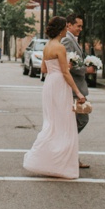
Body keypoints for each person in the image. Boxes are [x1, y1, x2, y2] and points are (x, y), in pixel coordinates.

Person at [23, 16, 87, 180]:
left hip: (50, 84)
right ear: (61, 29)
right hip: (59, 85)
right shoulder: (59, 47)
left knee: (51, 122)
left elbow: (44, 69)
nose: (67, 29)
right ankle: (58, 162)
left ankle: (46, 159)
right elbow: (65, 73)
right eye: (65, 27)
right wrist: (78, 93)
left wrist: (62, 67)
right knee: (64, 122)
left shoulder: (47, 47)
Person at [61, 13, 92, 169]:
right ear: (69, 25)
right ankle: (65, 150)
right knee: (81, 121)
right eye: (78, 26)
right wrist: (86, 69)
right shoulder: (67, 40)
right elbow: (67, 66)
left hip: (77, 87)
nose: (81, 29)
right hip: (73, 88)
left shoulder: (73, 40)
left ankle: (69, 154)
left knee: (74, 124)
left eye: (81, 26)